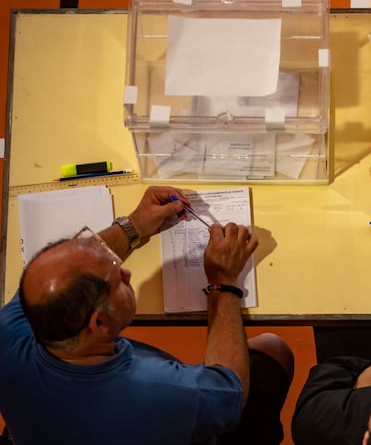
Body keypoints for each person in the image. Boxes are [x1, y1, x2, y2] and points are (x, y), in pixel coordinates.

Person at [0, 186, 293, 445]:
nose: (126, 271)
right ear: (98, 323)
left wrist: (133, 226)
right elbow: (231, 392)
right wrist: (223, 281)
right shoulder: (158, 391)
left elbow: (68, 271)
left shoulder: (9, 333)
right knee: (273, 349)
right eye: (117, 280)